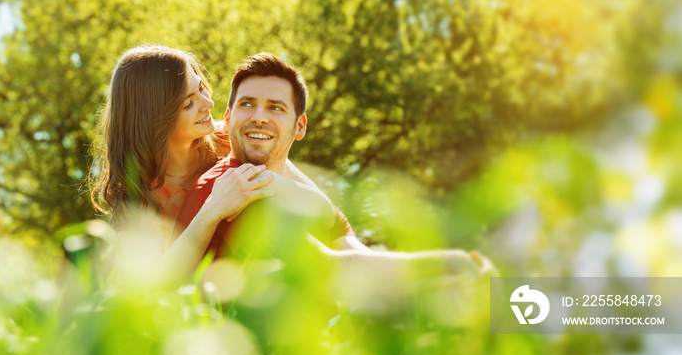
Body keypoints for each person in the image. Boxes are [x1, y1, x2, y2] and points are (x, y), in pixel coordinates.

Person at [176, 52, 495, 276]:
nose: (259, 116)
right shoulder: (230, 189)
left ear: (299, 127)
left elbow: (359, 252)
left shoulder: (288, 187)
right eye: (248, 104)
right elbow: (332, 271)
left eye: (275, 108)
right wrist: (444, 264)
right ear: (228, 117)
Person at [89, 45, 334, 285]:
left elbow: (321, 208)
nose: (208, 104)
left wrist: (261, 180)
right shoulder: (141, 202)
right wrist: (213, 210)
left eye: (201, 89)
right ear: (156, 119)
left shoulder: (229, 138)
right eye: (188, 104)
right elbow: (152, 287)